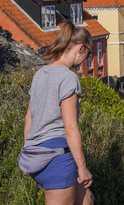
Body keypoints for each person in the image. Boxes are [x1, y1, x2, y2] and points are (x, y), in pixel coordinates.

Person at [23, 20, 94, 204]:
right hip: (57, 158)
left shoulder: (40, 74)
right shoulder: (68, 78)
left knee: (86, 200)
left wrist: (27, 151)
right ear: (80, 48)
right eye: (89, 52)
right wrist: (82, 167)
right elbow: (70, 127)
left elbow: (29, 117)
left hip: (36, 155)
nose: (88, 57)